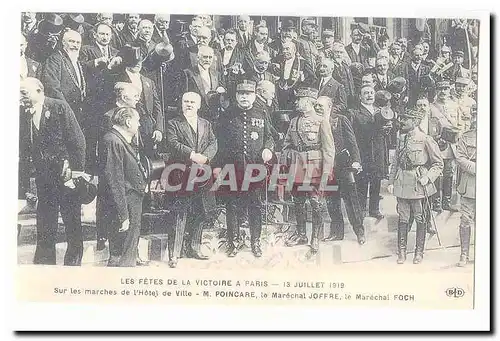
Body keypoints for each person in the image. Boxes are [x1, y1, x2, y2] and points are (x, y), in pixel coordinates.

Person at [20, 78, 86, 265]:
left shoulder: (59, 107)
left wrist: (75, 173)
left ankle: (72, 264)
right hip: (44, 178)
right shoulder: (22, 113)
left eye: (24, 93)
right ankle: (44, 263)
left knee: (71, 221)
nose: (20, 97)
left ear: (39, 91)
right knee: (45, 221)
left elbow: (78, 141)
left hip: (66, 175)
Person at [214, 79, 274, 258]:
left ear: (254, 95)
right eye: (241, 94)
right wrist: (218, 166)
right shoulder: (227, 114)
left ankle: (255, 242)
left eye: (248, 94)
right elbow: (220, 142)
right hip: (232, 168)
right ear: (236, 96)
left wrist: (268, 149)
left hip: (255, 168)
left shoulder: (262, 112)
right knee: (232, 205)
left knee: (255, 205)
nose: (244, 97)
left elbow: (270, 136)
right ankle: (233, 242)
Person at [165, 92, 218, 268]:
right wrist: (192, 155)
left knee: (201, 211)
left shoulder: (206, 124)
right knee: (179, 214)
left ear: (199, 105)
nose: (189, 104)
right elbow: (172, 143)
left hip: (202, 173)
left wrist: (206, 157)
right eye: (186, 101)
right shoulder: (173, 123)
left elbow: (213, 142)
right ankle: (174, 253)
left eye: (192, 102)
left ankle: (194, 247)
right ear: (181, 104)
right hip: (181, 173)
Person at [281, 88, 334, 254]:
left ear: (308, 101)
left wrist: (327, 172)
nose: (296, 103)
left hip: (314, 166)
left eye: (299, 99)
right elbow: (286, 144)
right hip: (297, 166)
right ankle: (301, 234)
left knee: (315, 202)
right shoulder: (294, 121)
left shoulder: (320, 120)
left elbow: (329, 149)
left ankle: (316, 237)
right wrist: (289, 156)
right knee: (298, 201)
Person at [387, 109, 443, 264]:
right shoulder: (401, 138)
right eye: (402, 118)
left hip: (419, 184)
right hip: (402, 183)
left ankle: (419, 252)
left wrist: (428, 177)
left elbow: (438, 164)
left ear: (415, 122)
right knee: (403, 218)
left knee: (420, 218)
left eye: (406, 119)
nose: (402, 121)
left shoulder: (426, 139)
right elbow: (396, 164)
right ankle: (402, 252)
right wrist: (391, 182)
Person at [98, 107, 148, 267]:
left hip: (130, 200)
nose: (139, 125)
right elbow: (115, 180)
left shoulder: (119, 140)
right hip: (126, 202)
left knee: (126, 250)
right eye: (137, 120)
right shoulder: (113, 141)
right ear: (128, 122)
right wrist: (123, 215)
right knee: (125, 253)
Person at [314, 96, 365, 244]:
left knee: (351, 200)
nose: (317, 108)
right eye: (316, 105)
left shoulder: (341, 120)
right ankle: (336, 232)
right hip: (327, 167)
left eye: (320, 106)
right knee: (332, 201)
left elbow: (351, 141)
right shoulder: (315, 122)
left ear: (329, 107)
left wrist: (356, 161)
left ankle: (360, 232)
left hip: (344, 165)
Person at [351, 85, 390, 219]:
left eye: (371, 93)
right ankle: (361, 209)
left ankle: (374, 209)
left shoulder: (381, 111)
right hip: (363, 151)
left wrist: (388, 128)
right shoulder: (355, 113)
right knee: (362, 181)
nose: (369, 95)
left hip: (378, 150)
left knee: (376, 180)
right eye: (366, 93)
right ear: (360, 96)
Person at [455, 104, 476, 267]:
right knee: (465, 221)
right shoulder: (466, 136)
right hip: (469, 184)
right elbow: (460, 157)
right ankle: (464, 254)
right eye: (475, 114)